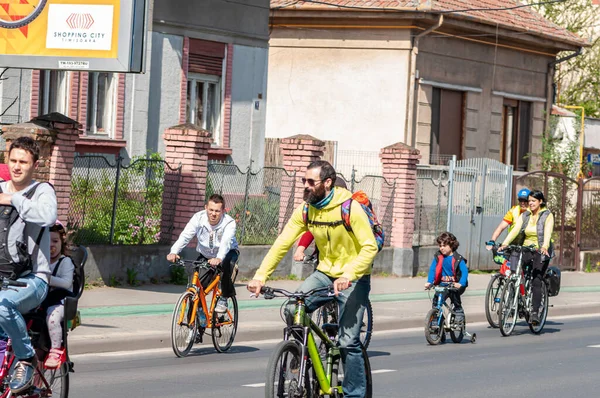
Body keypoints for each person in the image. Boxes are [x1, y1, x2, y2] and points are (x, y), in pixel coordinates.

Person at [247, 160, 377, 398]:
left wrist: (349, 274)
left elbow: (369, 247)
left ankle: (354, 394)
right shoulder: (306, 209)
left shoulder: (350, 208)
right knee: (291, 309)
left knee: (348, 342)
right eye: (303, 181)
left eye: (310, 182)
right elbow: (282, 243)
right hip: (325, 273)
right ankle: (303, 355)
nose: (305, 186)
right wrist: (260, 276)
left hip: (354, 276)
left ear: (327, 183)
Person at [0, 136, 57, 393]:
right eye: (13, 160)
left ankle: (25, 357)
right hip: (2, 276)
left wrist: (13, 199)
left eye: (23, 161)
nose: (17, 166)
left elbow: (47, 216)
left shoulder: (42, 191)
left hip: (33, 279)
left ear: (35, 164)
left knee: (2, 305)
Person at [167, 194, 239, 313]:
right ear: (206, 208)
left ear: (223, 211)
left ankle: (224, 298)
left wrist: (219, 258)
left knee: (228, 265)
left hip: (226, 253)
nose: (213, 214)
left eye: (217, 211)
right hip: (206, 255)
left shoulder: (229, 223)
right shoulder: (198, 218)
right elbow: (186, 235)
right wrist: (174, 252)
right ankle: (198, 314)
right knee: (196, 286)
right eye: (211, 210)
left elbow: (226, 242)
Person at [500, 190, 554, 325]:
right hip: (526, 248)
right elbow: (516, 230)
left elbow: (547, 233)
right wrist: (505, 243)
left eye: (533, 201)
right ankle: (518, 301)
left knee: (536, 278)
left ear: (540, 202)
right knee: (516, 272)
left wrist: (544, 247)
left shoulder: (547, 215)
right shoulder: (525, 215)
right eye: (529, 201)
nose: (530, 203)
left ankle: (535, 312)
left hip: (541, 249)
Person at [42, 221, 75, 368]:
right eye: (46, 241)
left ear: (62, 243)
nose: (51, 245)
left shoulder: (65, 262)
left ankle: (55, 350)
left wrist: (45, 278)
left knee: (52, 317)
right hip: (42, 299)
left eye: (55, 241)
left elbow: (66, 282)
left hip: (60, 301)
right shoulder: (40, 262)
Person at [293, 178, 348, 262]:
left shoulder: (349, 210)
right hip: (324, 261)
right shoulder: (322, 209)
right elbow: (313, 228)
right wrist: (300, 250)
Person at [424, 232, 468, 323]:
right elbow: (433, 269)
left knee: (454, 296)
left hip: (455, 284)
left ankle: (458, 311)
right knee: (436, 301)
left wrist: (461, 283)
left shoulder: (458, 258)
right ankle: (437, 320)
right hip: (442, 284)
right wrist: (429, 281)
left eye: (444, 245)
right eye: (440, 246)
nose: (441, 248)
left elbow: (464, 271)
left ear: (451, 245)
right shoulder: (438, 257)